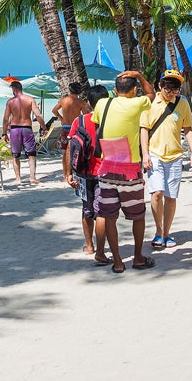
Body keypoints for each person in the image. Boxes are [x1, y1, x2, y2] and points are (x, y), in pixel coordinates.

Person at [91, 72, 155, 272]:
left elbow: (97, 123)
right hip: (129, 170)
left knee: (110, 216)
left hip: (107, 168)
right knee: (137, 215)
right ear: (134, 90)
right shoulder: (136, 103)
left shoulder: (102, 104)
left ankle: (118, 262)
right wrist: (140, 75)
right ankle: (137, 257)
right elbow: (151, 94)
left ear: (115, 90)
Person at [143, 71, 192, 249]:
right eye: (168, 88)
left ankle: (167, 232)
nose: (172, 92)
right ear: (160, 86)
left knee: (171, 197)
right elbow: (144, 129)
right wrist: (145, 154)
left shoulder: (182, 103)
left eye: (175, 89)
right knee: (157, 193)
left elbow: (187, 128)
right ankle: (158, 232)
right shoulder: (150, 103)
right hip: (155, 153)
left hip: (175, 155)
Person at [63, 86, 103, 257]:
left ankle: (89, 246)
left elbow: (70, 148)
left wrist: (68, 173)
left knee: (87, 210)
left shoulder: (79, 122)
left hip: (83, 173)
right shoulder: (111, 120)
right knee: (103, 212)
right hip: (105, 173)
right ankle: (101, 249)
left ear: (88, 103)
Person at [2, 79, 40, 185]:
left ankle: (18, 179)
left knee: (15, 155)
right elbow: (38, 115)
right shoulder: (30, 99)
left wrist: (4, 133)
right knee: (31, 154)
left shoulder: (10, 101)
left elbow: (5, 119)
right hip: (27, 128)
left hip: (14, 129)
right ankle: (32, 177)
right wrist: (44, 127)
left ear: (14, 89)